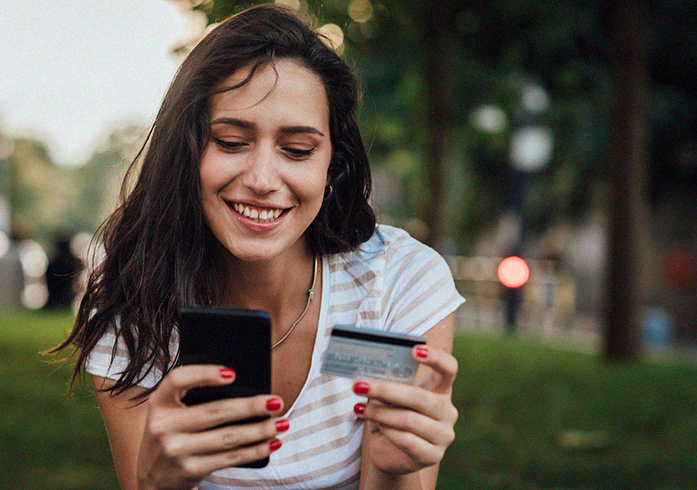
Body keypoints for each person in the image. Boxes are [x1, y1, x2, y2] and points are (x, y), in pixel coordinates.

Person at [51, 5, 463, 490]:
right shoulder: (134, 310)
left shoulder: (396, 282)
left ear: (333, 163)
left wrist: (397, 471)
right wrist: (157, 481)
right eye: (230, 141)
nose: (262, 180)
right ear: (187, 151)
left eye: (297, 150)